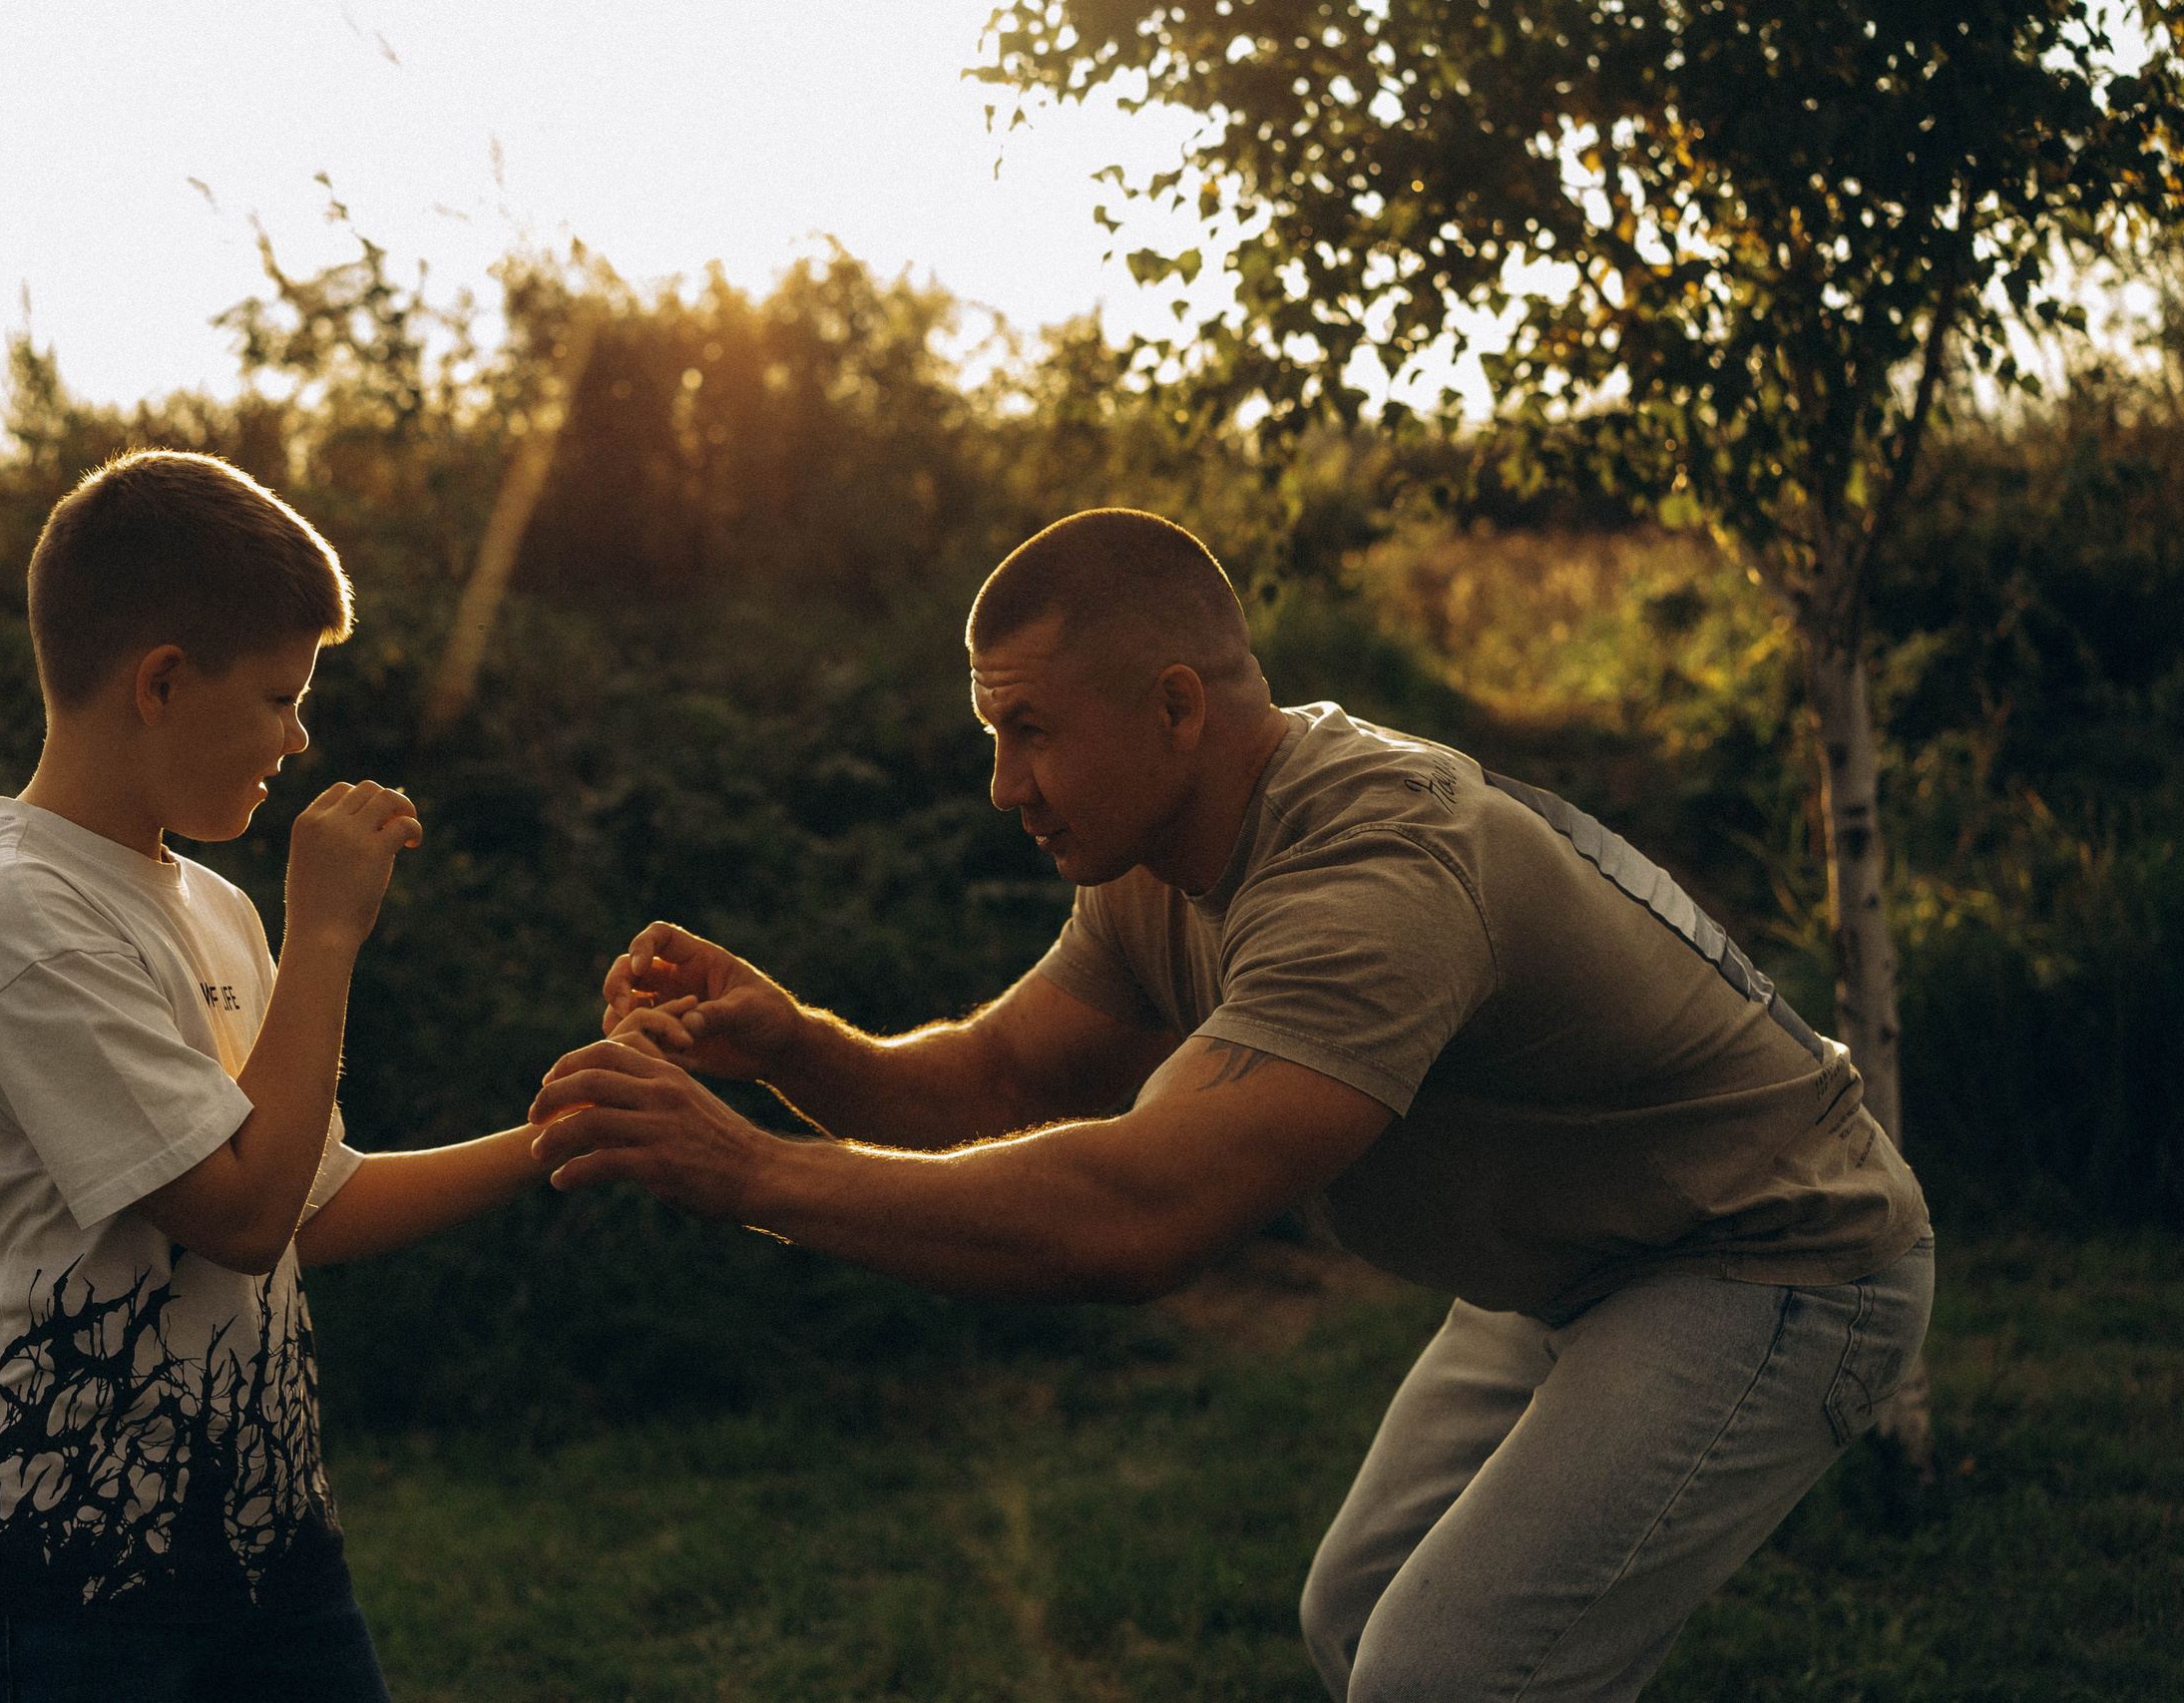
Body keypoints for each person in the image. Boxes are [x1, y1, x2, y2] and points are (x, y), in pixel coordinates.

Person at [528, 507, 1935, 1701]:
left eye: (1027, 730)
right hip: (1582, 1258)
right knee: (1359, 1614)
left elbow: (1135, 1218)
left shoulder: (1369, 879)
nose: (1002, 785)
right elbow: (998, 1079)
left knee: (1438, 1677)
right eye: (990, 733)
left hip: (1769, 1253)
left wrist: (748, 1172)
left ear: (1178, 706)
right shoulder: (1157, 856)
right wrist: (795, 1041)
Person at [0, 450, 546, 1701]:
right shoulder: (7, 913)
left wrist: (564, 1134)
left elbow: (307, 1206)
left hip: (263, 1544)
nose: (299, 738)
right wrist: (329, 936)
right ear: (163, 683)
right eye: (280, 697)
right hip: (53, 1571)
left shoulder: (217, 907)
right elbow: (240, 1218)